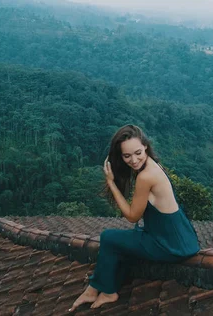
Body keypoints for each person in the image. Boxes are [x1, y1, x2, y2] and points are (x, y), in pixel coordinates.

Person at [69, 124, 200, 311]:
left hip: (169, 244)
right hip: (181, 238)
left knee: (108, 237)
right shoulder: (153, 164)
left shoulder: (146, 176)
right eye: (127, 156)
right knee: (122, 244)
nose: (134, 160)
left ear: (145, 146)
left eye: (138, 152)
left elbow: (132, 216)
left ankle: (107, 292)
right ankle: (94, 288)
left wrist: (111, 183)